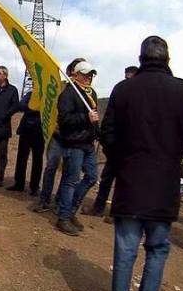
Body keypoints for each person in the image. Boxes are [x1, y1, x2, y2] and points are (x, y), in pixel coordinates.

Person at [99, 36, 183, 291]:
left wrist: (120, 163)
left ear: (141, 57)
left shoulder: (124, 89)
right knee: (157, 249)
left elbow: (106, 132)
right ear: (167, 59)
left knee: (125, 251)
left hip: (130, 184)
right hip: (164, 186)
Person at [84, 65, 138, 216]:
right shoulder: (120, 89)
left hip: (131, 147)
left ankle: (117, 213)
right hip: (116, 145)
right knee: (107, 177)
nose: (127, 80)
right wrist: (106, 139)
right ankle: (98, 207)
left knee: (125, 181)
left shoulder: (142, 96)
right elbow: (109, 116)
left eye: (130, 77)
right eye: (126, 76)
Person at [32, 58, 85, 213]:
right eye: (75, 71)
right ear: (70, 72)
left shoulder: (84, 93)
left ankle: (59, 201)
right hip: (56, 136)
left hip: (73, 139)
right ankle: (44, 199)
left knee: (67, 171)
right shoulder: (60, 87)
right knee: (51, 167)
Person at [54, 60, 100, 236]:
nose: (88, 77)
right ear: (75, 74)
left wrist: (97, 132)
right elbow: (64, 120)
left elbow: (94, 116)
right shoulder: (68, 94)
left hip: (88, 143)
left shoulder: (91, 93)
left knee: (91, 177)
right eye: (85, 74)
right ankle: (63, 217)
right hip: (73, 143)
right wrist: (85, 118)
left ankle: (70, 210)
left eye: (91, 74)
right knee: (71, 180)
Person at [9, 90, 43, 194]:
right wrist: (34, 107)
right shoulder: (30, 94)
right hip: (26, 130)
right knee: (21, 158)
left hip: (40, 132)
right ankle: (19, 184)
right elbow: (21, 106)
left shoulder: (48, 96)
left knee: (37, 161)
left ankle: (34, 187)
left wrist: (34, 108)